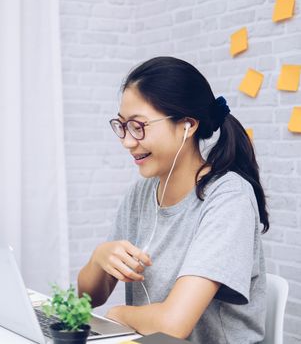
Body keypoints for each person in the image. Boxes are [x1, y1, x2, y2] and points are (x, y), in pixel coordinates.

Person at [77, 57, 268, 343]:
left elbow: (173, 325)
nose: (128, 141)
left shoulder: (228, 198)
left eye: (138, 126)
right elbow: (86, 299)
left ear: (187, 126)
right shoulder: (140, 194)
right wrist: (99, 259)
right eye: (122, 125)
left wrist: (120, 314)